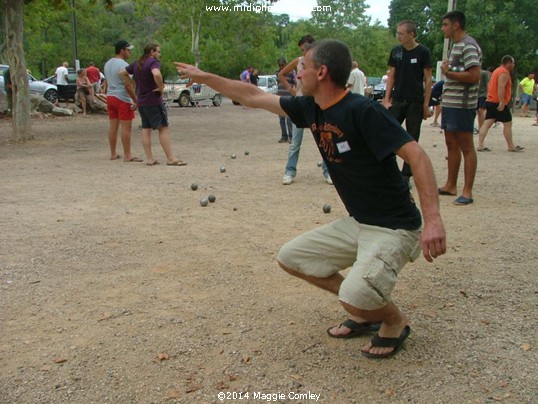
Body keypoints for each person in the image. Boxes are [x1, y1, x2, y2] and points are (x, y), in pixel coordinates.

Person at [175, 39, 446, 359]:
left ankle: (392, 320)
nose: (296, 72)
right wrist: (206, 77)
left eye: (302, 66)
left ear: (321, 72)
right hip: (361, 224)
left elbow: (417, 156)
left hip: (396, 228)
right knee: (292, 257)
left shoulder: (362, 110)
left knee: (354, 295)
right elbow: (252, 95)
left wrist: (433, 220)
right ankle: (364, 309)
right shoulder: (311, 108)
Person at [438, 11, 481, 206]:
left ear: (456, 25)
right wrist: (450, 70)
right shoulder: (456, 46)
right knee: (451, 143)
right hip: (450, 103)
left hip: (462, 105)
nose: (442, 28)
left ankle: (467, 191)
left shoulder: (468, 46)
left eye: (445, 24)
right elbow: (459, 71)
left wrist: (448, 72)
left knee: (466, 146)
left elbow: (474, 76)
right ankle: (451, 184)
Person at [383, 20, 433, 187]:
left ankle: (406, 175)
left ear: (411, 34)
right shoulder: (396, 52)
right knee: (387, 133)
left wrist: (426, 104)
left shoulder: (423, 52)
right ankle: (387, 170)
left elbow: (428, 79)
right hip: (398, 99)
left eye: (401, 34)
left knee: (411, 138)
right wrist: (386, 99)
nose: (398, 36)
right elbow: (392, 76)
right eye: (397, 33)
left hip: (415, 101)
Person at [277, 34, 331, 185]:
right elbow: (281, 74)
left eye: (305, 49)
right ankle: (290, 171)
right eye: (301, 49)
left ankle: (328, 172)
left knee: (324, 140)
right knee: (295, 141)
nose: (303, 52)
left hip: (317, 104)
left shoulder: (321, 62)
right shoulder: (299, 61)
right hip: (300, 103)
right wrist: (291, 90)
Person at [123, 43, 186, 166]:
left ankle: (150, 158)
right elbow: (156, 74)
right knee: (163, 128)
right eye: (158, 51)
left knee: (146, 128)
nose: (159, 54)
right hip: (153, 100)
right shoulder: (153, 62)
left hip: (142, 101)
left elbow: (122, 73)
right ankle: (170, 158)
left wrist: (132, 82)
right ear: (152, 52)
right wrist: (161, 87)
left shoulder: (137, 63)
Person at [103, 40, 142, 162]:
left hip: (110, 97)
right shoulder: (123, 65)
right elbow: (128, 85)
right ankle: (127, 154)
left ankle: (113, 153)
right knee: (126, 127)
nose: (129, 52)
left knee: (113, 126)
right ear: (122, 51)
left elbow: (107, 81)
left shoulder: (108, 64)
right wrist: (136, 100)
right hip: (122, 98)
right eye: (128, 50)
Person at [476, 55, 524, 152]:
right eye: (513, 63)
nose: (514, 65)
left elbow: (491, 85)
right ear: (509, 63)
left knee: (486, 123)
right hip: (497, 102)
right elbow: (501, 87)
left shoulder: (497, 71)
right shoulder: (504, 72)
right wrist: (502, 102)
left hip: (490, 100)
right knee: (508, 123)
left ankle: (480, 145)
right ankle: (511, 146)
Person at [276, 57, 295, 144]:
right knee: (281, 119)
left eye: (282, 65)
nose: (281, 67)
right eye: (279, 65)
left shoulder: (291, 73)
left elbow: (295, 83)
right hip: (280, 98)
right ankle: (284, 136)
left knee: (289, 119)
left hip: (289, 98)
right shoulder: (277, 73)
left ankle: (291, 137)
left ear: (286, 64)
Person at [476, 67, 493, 132]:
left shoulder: (484, 73)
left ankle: (481, 127)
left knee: (481, 110)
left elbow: (488, 83)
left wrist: (489, 94)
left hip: (483, 94)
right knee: (477, 111)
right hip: (476, 94)